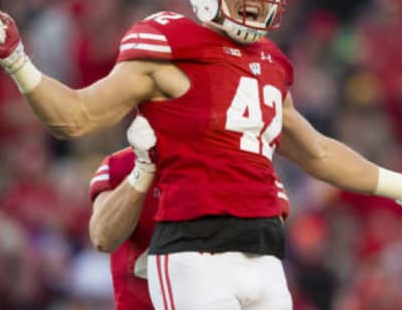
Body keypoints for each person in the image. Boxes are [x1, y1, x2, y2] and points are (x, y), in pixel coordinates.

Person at [0, 0, 402, 309]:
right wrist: (18, 61)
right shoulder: (170, 49)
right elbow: (76, 117)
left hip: (266, 253)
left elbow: (317, 151)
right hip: (193, 250)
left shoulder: (273, 63)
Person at [89, 116, 291, 309]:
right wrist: (142, 172)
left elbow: (267, 245)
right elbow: (103, 238)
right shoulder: (120, 165)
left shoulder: (248, 166)